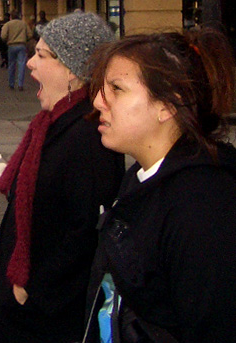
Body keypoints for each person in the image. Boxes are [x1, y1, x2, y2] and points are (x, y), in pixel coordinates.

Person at [83, 28, 236, 343]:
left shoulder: (205, 206)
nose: (98, 101)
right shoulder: (142, 179)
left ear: (168, 105)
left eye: (117, 89)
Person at [0, 12, 125, 343]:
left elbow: (84, 235)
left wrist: (33, 291)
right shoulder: (53, 125)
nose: (30, 63)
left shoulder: (88, 136)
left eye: (42, 55)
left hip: (42, 321)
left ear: (73, 70)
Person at [1, 12, 29, 90]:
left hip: (11, 45)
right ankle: (20, 84)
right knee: (21, 64)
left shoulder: (7, 24)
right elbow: (30, 34)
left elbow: (3, 36)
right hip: (22, 45)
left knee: (11, 65)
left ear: (11, 17)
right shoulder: (24, 24)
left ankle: (11, 83)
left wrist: (7, 40)